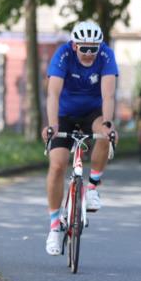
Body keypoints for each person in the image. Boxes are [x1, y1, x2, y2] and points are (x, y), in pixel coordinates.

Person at [41, 20, 118, 256]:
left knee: (104, 135)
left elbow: (108, 95)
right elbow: (53, 94)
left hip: (92, 112)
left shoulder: (106, 55)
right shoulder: (63, 55)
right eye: (84, 48)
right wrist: (52, 125)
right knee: (57, 164)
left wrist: (108, 124)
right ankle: (55, 226)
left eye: (93, 48)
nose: (88, 53)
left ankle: (92, 187)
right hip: (63, 114)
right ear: (74, 46)